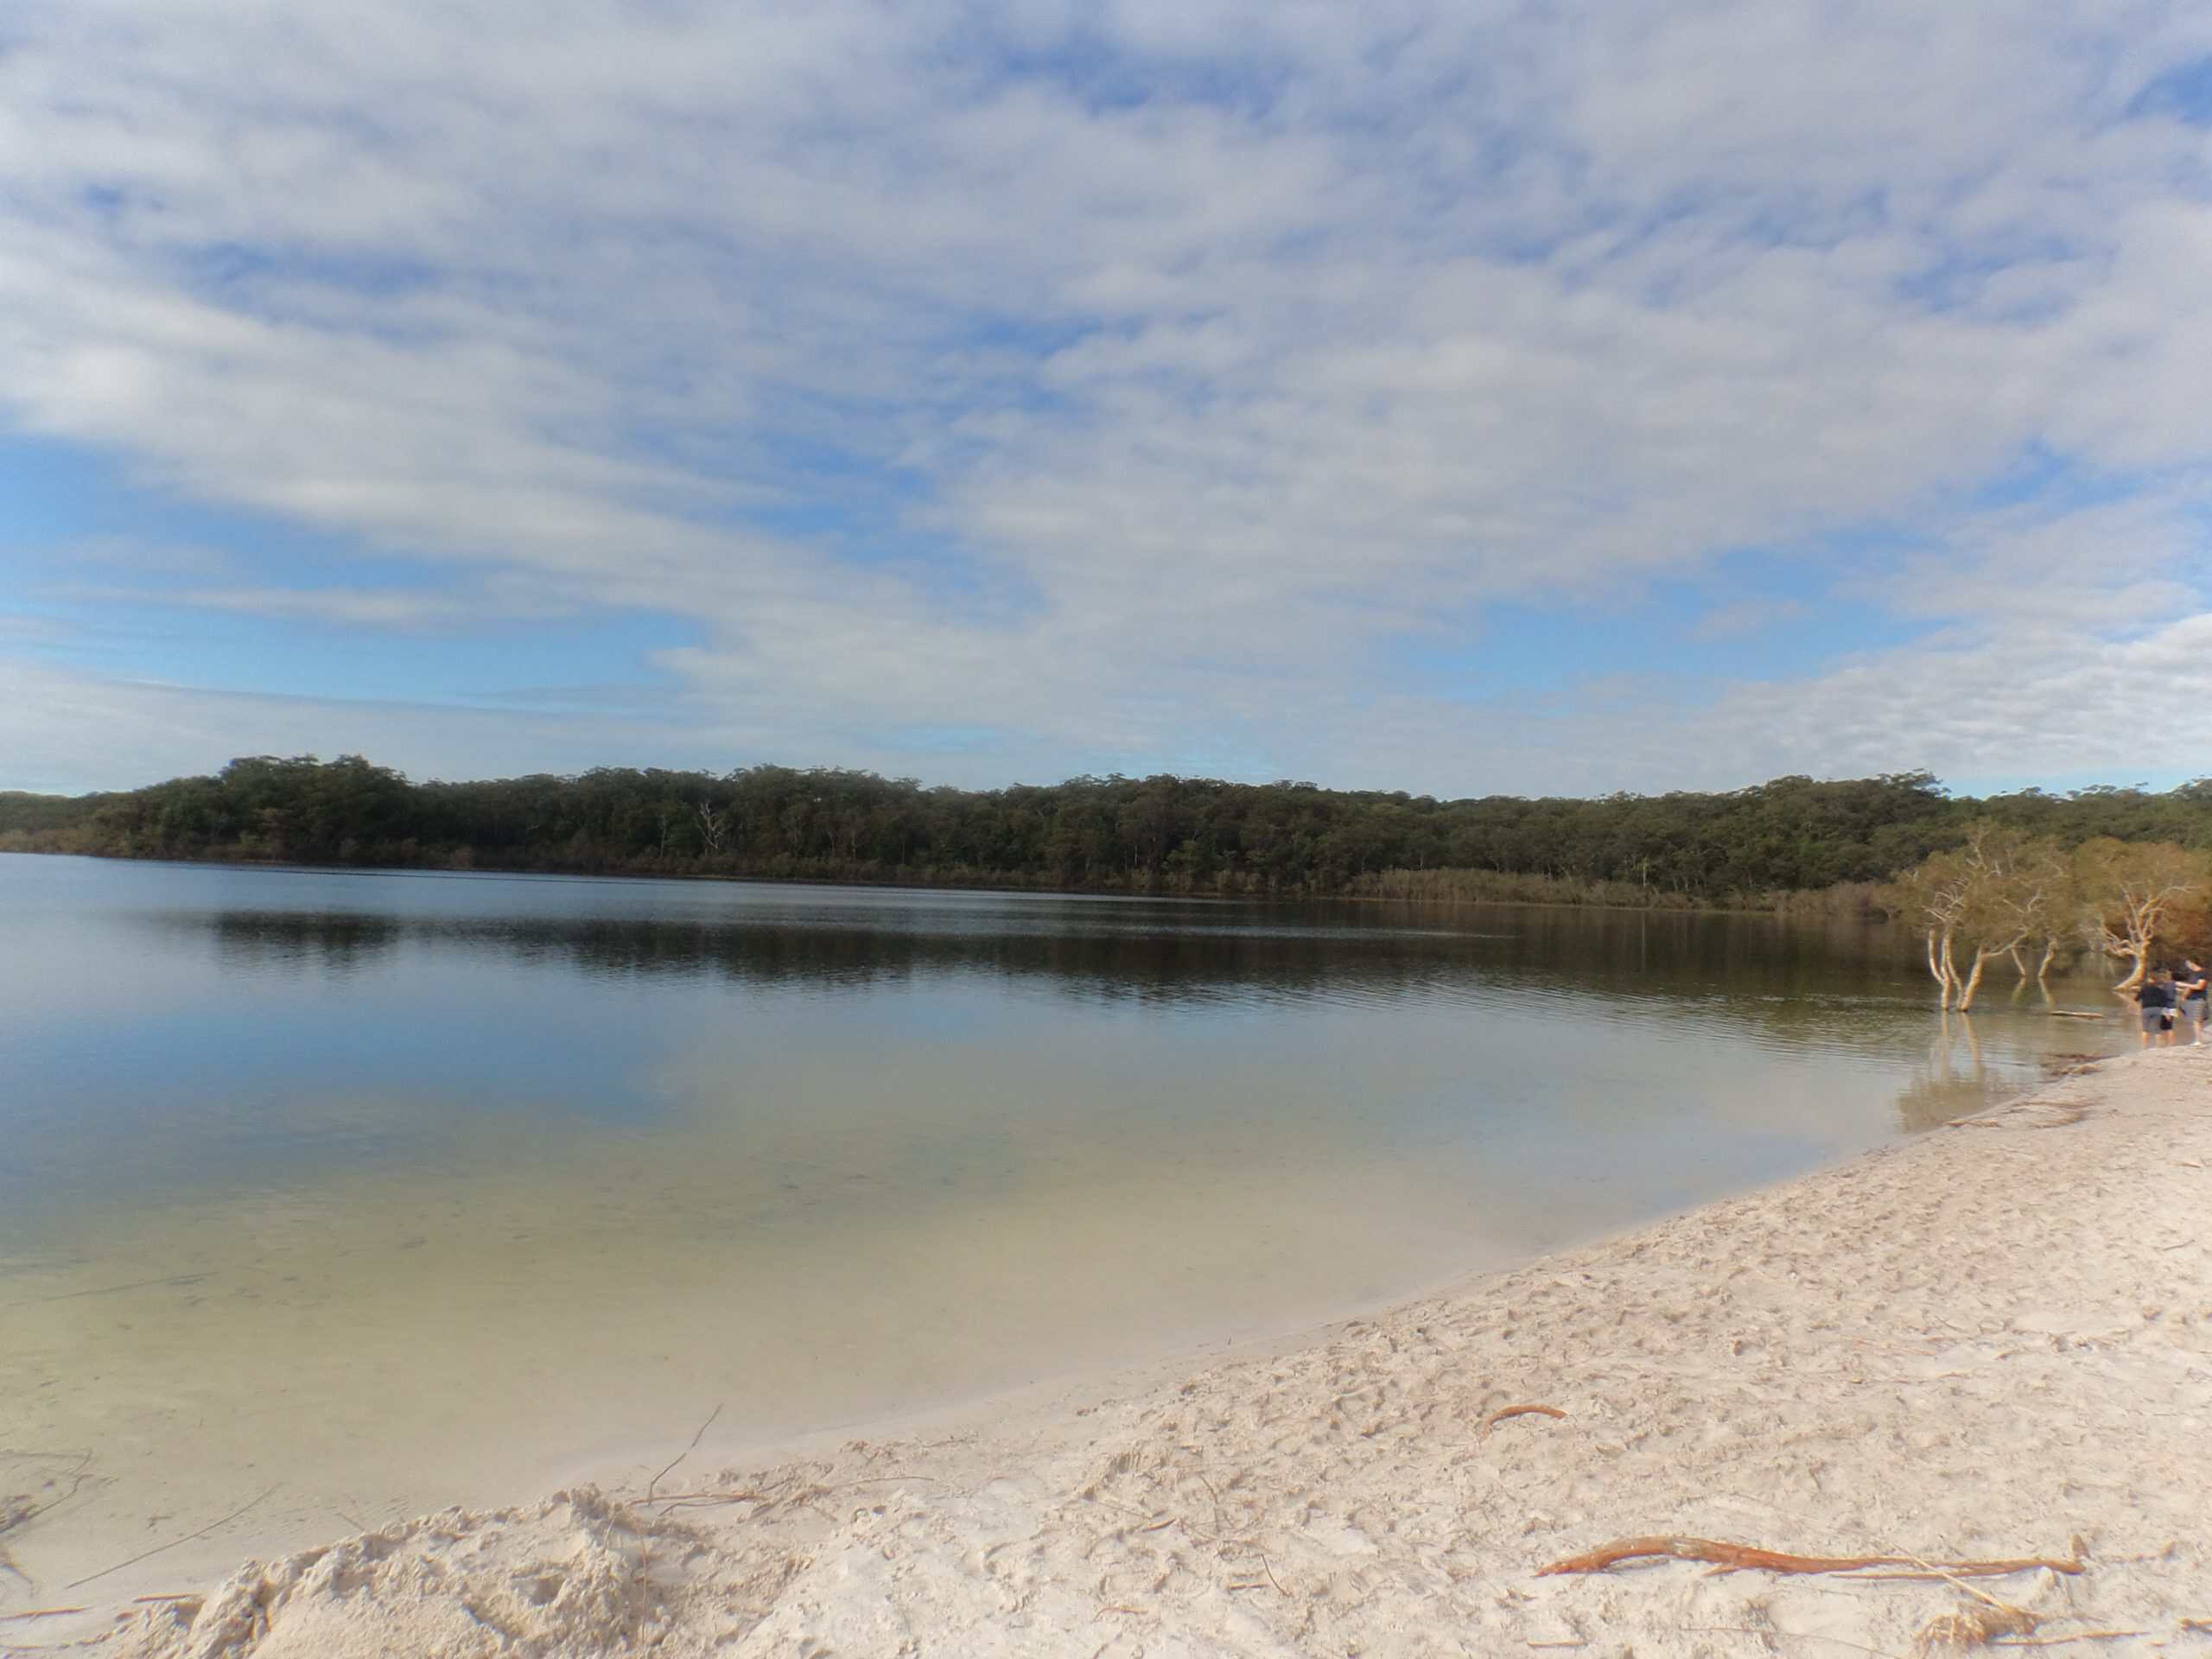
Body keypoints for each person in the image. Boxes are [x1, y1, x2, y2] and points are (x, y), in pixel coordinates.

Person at [2137, 968, 2177, 1049]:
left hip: (2146, 1010)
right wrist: (2167, 1013)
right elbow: (2164, 1003)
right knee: (2157, 1030)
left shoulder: (2144, 989)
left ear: (2148, 980)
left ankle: (2144, 1047)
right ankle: (2159, 1046)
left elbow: (2136, 999)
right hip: (2157, 1010)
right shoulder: (2161, 990)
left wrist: (2134, 1006)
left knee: (2145, 1030)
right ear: (2156, 981)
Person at [2177, 958, 2209, 1047]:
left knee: (2196, 1020)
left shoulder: (2203, 973)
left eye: (2187, 963)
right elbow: (2190, 987)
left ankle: (2199, 1041)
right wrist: (2184, 996)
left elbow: (2200, 986)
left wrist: (2182, 984)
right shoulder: (2193, 974)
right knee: (2195, 1020)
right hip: (2191, 999)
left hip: (2199, 999)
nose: (2187, 965)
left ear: (2193, 963)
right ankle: (2198, 1039)